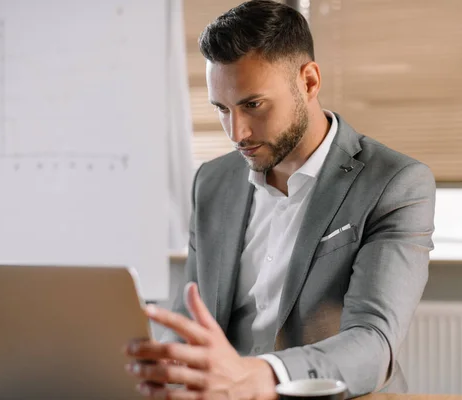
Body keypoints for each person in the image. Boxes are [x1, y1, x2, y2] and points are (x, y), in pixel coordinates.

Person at [124, 1, 436, 399]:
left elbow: (373, 344)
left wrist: (260, 376)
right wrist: (164, 360)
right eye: (222, 109)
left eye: (253, 105)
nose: (237, 133)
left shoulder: (394, 182)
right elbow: (193, 314)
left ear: (308, 82)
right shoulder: (212, 181)